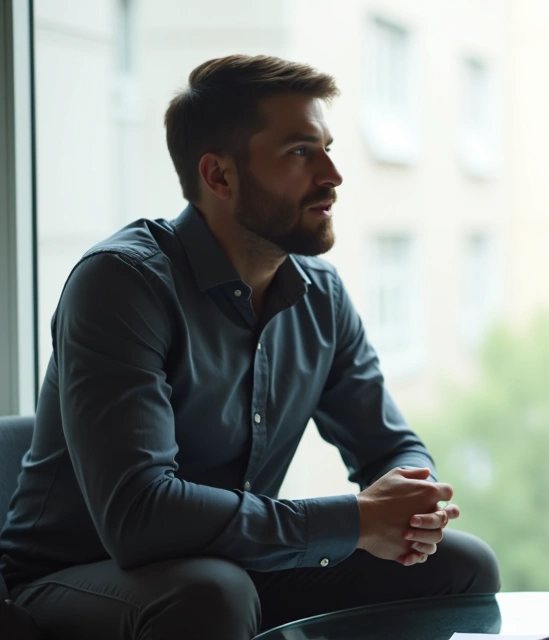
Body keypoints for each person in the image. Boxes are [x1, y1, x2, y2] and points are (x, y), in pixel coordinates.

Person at [0, 55, 499, 639]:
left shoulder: (319, 293)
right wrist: (358, 519)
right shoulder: (121, 284)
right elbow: (140, 516)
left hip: (230, 568)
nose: (333, 174)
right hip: (72, 579)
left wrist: (412, 501)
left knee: (462, 565)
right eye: (300, 152)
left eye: (329, 148)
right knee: (213, 593)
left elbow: (387, 443)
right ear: (218, 176)